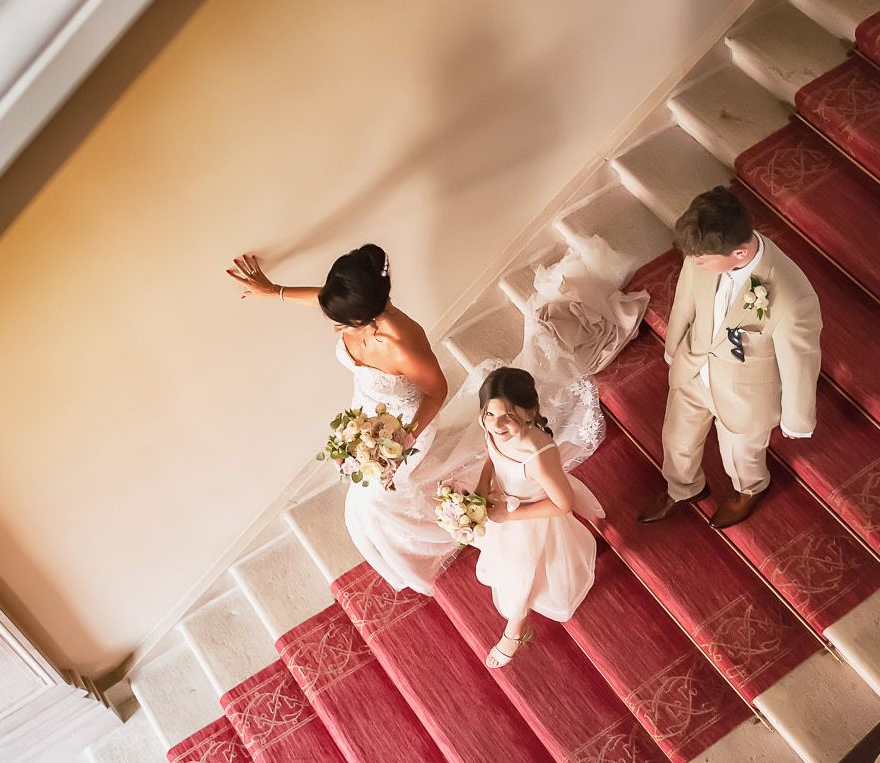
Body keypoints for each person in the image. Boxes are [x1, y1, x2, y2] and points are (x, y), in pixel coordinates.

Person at [227, 244, 464, 595]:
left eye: (341, 321)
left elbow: (437, 392)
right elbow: (323, 299)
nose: (334, 326)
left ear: (364, 316)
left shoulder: (402, 344)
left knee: (369, 501)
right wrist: (273, 290)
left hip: (407, 423)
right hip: (367, 409)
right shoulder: (354, 304)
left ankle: (435, 540)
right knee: (368, 494)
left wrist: (403, 442)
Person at [638, 186, 822, 530]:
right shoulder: (703, 251)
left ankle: (748, 491)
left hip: (745, 391)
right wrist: (673, 348)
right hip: (695, 369)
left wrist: (797, 418)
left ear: (739, 253)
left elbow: (801, 363)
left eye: (702, 260)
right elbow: (685, 299)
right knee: (676, 440)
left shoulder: (793, 298)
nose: (695, 263)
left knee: (741, 457)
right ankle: (683, 489)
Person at [472, 366, 601, 666]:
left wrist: (510, 516)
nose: (496, 425)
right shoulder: (494, 430)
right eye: (489, 415)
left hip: (533, 519)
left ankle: (514, 631)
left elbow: (563, 504)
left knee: (523, 573)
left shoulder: (538, 454)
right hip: (506, 509)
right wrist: (481, 487)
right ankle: (517, 624)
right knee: (510, 566)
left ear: (529, 413)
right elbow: (493, 455)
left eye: (507, 416)